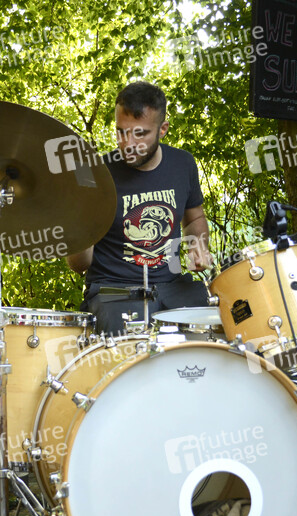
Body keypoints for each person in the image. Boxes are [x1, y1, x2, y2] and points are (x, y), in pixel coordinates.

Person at [67, 81, 212, 334]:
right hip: (113, 290)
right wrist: (80, 231)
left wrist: (197, 245)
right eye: (121, 132)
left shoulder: (183, 164)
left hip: (172, 284)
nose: (128, 143)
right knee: (127, 344)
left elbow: (194, 218)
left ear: (162, 129)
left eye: (140, 133)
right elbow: (78, 264)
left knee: (213, 325)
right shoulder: (96, 174)